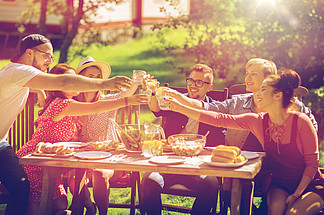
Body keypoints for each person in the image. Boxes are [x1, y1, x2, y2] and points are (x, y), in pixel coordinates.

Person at [0, 34, 131, 215]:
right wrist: (106, 83)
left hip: (3, 144)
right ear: (29, 53)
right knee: (22, 190)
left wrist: (39, 92)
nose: (49, 61)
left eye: (51, 57)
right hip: (33, 161)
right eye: (46, 55)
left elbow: (29, 83)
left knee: (23, 190)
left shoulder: (18, 73)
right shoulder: (20, 71)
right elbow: (63, 82)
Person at [166, 58, 318, 214]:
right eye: (247, 74)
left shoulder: (299, 115)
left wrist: (296, 194)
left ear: (276, 92)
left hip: (301, 180)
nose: (257, 94)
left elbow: (312, 161)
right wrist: (179, 104)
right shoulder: (256, 120)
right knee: (274, 207)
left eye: (263, 89)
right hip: (268, 179)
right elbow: (217, 118)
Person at [15, 63, 148, 215]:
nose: (77, 82)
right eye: (73, 80)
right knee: (41, 201)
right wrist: (127, 101)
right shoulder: (63, 104)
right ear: (59, 84)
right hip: (34, 162)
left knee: (61, 203)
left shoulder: (65, 102)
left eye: (77, 79)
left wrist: (40, 91)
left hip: (49, 162)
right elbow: (95, 108)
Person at [141, 64, 223, 215]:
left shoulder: (213, 109)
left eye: (199, 82)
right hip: (168, 162)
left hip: (199, 165)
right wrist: (153, 92)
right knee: (149, 180)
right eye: (190, 81)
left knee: (211, 184)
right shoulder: (175, 101)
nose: (193, 86)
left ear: (209, 87)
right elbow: (156, 109)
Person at [70, 56, 143, 215]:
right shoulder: (73, 105)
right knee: (74, 179)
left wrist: (138, 81)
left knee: (99, 173)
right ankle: (89, 206)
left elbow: (127, 94)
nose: (96, 81)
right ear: (80, 79)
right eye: (90, 77)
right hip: (81, 160)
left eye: (98, 78)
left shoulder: (108, 101)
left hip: (110, 159)